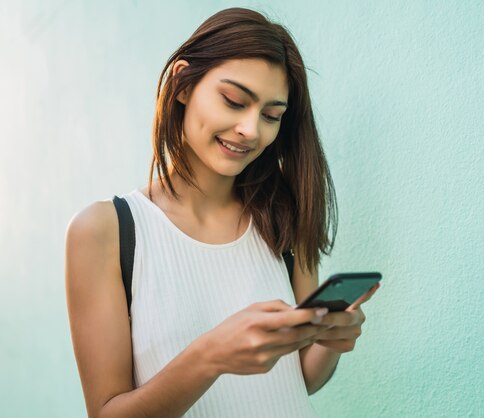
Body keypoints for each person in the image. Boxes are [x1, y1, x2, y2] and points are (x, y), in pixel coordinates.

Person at [65, 7, 380, 418]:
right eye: (234, 101)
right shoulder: (105, 231)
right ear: (181, 83)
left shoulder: (284, 213)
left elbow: (298, 379)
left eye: (271, 116)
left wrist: (329, 340)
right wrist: (211, 355)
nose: (251, 129)